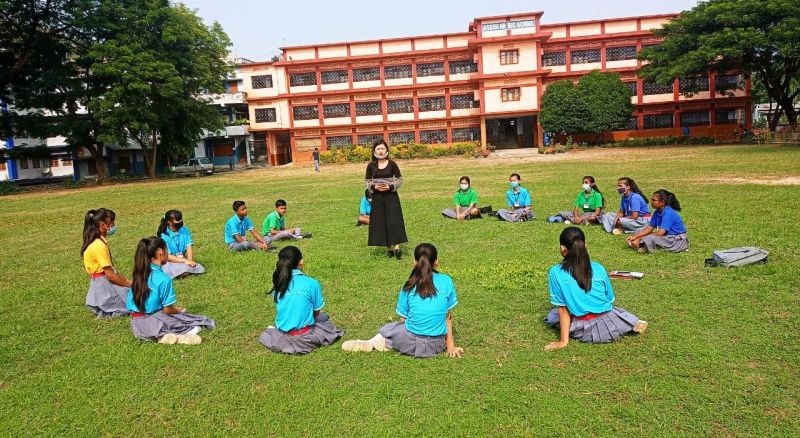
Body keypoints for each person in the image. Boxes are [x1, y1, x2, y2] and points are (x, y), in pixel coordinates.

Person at [341, 243, 463, 358]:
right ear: (436, 261)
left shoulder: (410, 284)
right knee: (397, 329)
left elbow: (403, 319)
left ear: (415, 262)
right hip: (437, 345)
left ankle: (377, 341)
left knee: (391, 328)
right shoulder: (446, 281)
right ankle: (380, 342)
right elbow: (447, 317)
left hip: (408, 342)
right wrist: (450, 347)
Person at [544, 227, 648, 351]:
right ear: (585, 245)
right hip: (610, 324)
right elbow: (609, 299)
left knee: (553, 315)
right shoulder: (598, 267)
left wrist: (563, 341)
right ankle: (629, 323)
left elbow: (563, 309)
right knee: (615, 311)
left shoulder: (555, 272)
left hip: (584, 329)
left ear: (562, 248)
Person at [127, 237, 215, 344]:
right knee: (195, 323)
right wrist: (177, 310)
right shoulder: (164, 279)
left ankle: (163, 337)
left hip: (137, 326)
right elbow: (167, 310)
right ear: (161, 252)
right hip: (153, 322)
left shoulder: (139, 274)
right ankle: (174, 335)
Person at [259, 246, 343, 354]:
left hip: (283, 332)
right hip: (305, 337)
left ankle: (278, 337)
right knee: (324, 319)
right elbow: (316, 313)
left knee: (269, 333)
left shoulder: (279, 284)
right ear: (301, 262)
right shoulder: (311, 283)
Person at [82, 208, 131, 318]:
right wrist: (131, 284)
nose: (114, 226)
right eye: (112, 223)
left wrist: (127, 281)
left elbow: (111, 272)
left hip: (101, 284)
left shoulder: (97, 242)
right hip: (104, 286)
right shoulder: (98, 246)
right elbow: (111, 276)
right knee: (137, 298)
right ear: (103, 225)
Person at [365, 139, 407, 259]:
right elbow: (367, 181)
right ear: (374, 151)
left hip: (391, 197)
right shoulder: (371, 166)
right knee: (381, 221)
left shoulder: (392, 164)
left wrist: (391, 186)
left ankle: (397, 247)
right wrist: (374, 187)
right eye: (378, 149)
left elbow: (399, 179)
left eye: (383, 148)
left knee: (394, 220)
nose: (381, 151)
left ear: (386, 150)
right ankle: (389, 249)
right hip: (377, 197)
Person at [157, 210, 205, 278]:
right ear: (169, 222)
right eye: (177, 220)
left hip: (182, 259)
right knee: (167, 267)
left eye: (180, 219)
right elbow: (167, 256)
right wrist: (185, 261)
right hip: (168, 260)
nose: (180, 221)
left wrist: (190, 261)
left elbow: (189, 246)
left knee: (198, 267)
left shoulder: (185, 230)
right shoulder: (163, 236)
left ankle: (184, 271)